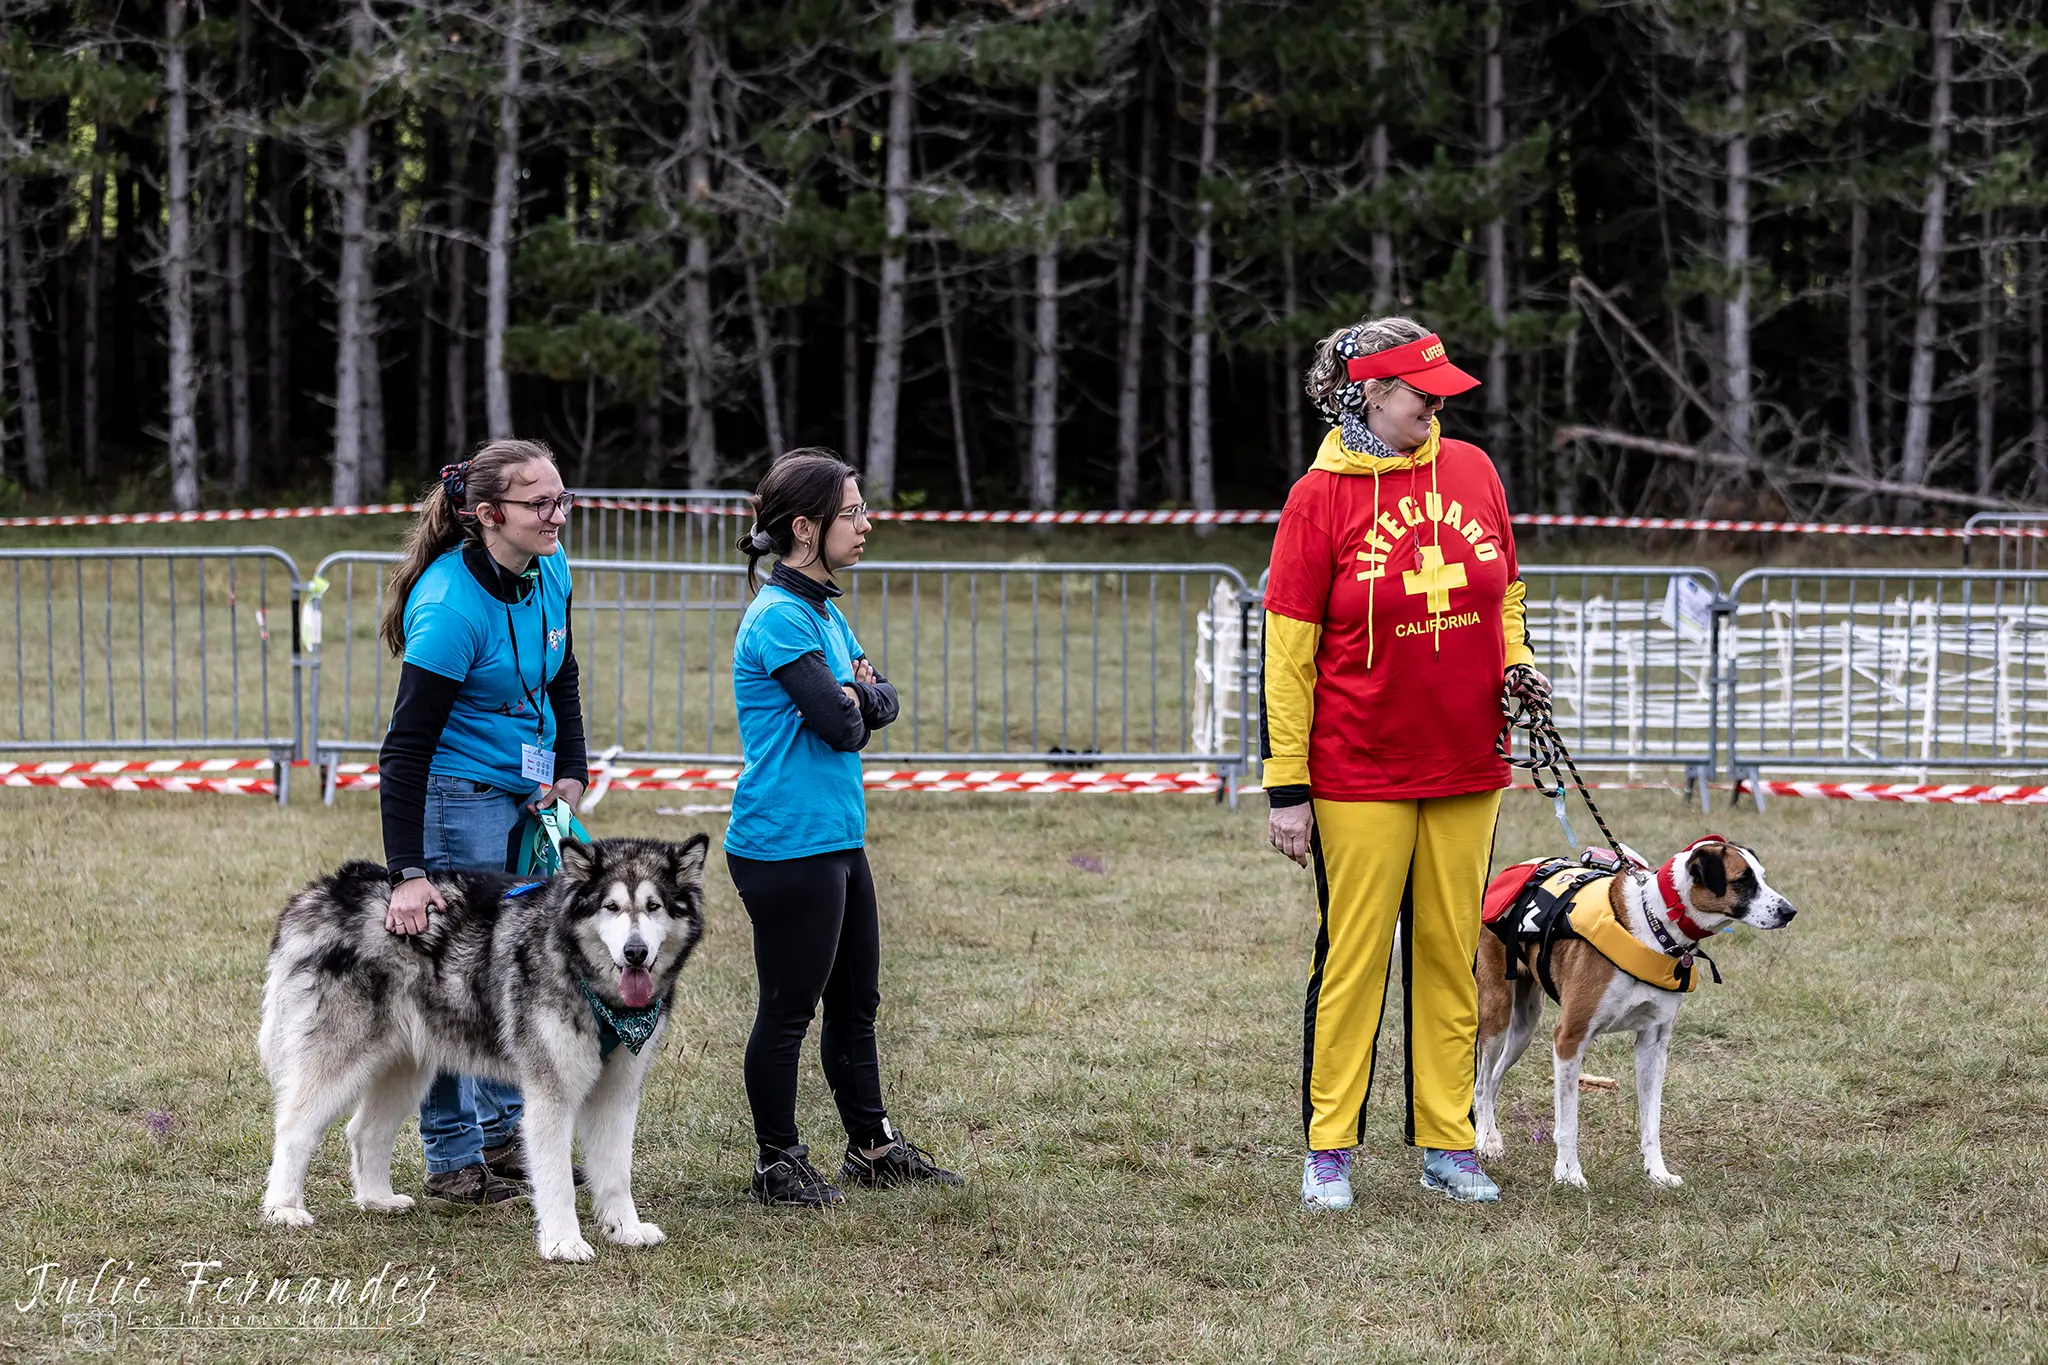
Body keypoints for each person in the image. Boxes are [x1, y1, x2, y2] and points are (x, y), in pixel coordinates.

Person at [1262, 316, 1551, 1211]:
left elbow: (1505, 590)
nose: (1439, 407)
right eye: (1423, 394)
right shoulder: (1319, 499)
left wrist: (1518, 662)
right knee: (1354, 959)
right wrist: (1287, 784)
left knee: (1450, 952)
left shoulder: (1471, 469)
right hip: (1356, 769)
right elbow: (1289, 652)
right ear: (1371, 394)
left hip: (1467, 759)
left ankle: (1447, 1140)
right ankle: (1329, 1151)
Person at [725, 448, 964, 1207]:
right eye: (852, 513)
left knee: (857, 1001)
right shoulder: (780, 616)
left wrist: (861, 697)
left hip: (835, 836)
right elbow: (839, 724)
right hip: (785, 842)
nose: (866, 525)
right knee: (789, 1008)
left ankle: (872, 1145)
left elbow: (880, 697)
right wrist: (856, 699)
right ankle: (777, 1161)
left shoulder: (824, 607)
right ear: (805, 527)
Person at [376, 438, 589, 1207]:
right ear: (488, 513)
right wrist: (408, 874)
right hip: (453, 795)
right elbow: (402, 752)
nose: (557, 515)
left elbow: (561, 673)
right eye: (540, 503)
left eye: (563, 498)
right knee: (455, 976)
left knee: (523, 965)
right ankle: (453, 1159)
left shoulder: (549, 567)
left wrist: (572, 769)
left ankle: (506, 1136)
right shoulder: (449, 607)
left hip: (525, 797)